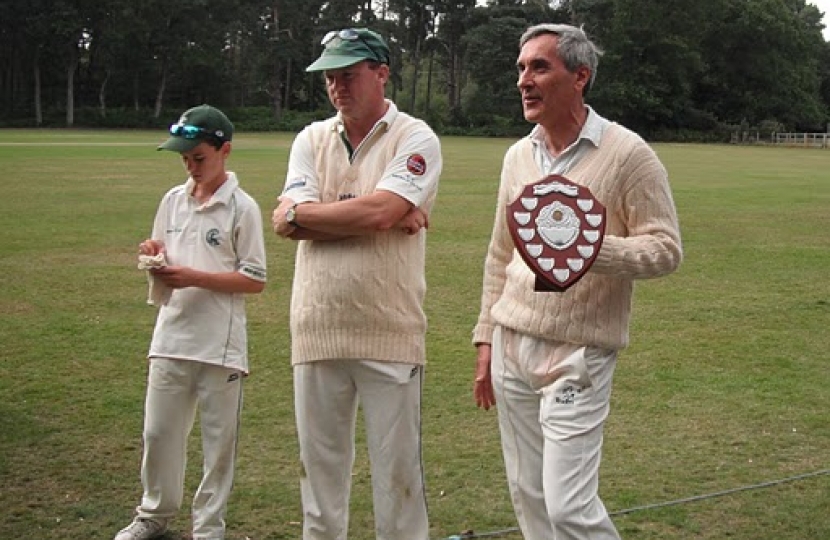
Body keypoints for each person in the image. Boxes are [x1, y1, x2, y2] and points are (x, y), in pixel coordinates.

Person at [472, 24, 682, 540]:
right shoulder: (518, 156)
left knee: (568, 507)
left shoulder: (629, 155)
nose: (525, 80)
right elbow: (501, 253)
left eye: (540, 67)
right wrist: (484, 339)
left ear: (580, 76)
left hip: (579, 353)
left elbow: (666, 249)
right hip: (511, 342)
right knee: (530, 498)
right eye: (521, 68)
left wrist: (590, 251)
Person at [271, 28, 441, 540]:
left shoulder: (415, 137)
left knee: (398, 480)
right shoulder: (310, 139)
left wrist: (315, 215)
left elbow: (381, 210)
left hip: (388, 330)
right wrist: (377, 213)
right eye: (330, 76)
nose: (337, 85)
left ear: (381, 72)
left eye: (349, 73)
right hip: (316, 327)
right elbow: (284, 223)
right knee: (319, 479)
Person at [115, 104, 267, 540]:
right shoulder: (172, 200)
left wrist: (192, 277)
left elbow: (254, 280)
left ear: (225, 150)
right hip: (171, 334)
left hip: (220, 344)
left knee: (218, 446)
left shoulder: (242, 208)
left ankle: (208, 527)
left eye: (198, 157)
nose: (190, 165)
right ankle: (154, 516)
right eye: (184, 158)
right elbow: (162, 251)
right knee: (159, 433)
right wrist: (154, 256)